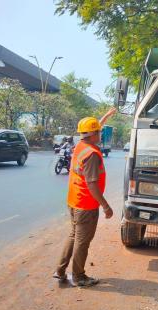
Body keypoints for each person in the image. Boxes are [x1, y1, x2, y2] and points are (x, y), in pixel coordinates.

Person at [53, 107, 117, 287]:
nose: (101, 133)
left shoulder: (81, 145)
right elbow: (92, 184)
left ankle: (60, 271)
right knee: (82, 242)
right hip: (86, 205)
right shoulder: (92, 155)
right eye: (99, 131)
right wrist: (105, 206)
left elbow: (93, 127)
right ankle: (79, 276)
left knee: (74, 236)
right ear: (93, 134)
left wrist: (106, 116)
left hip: (74, 201)